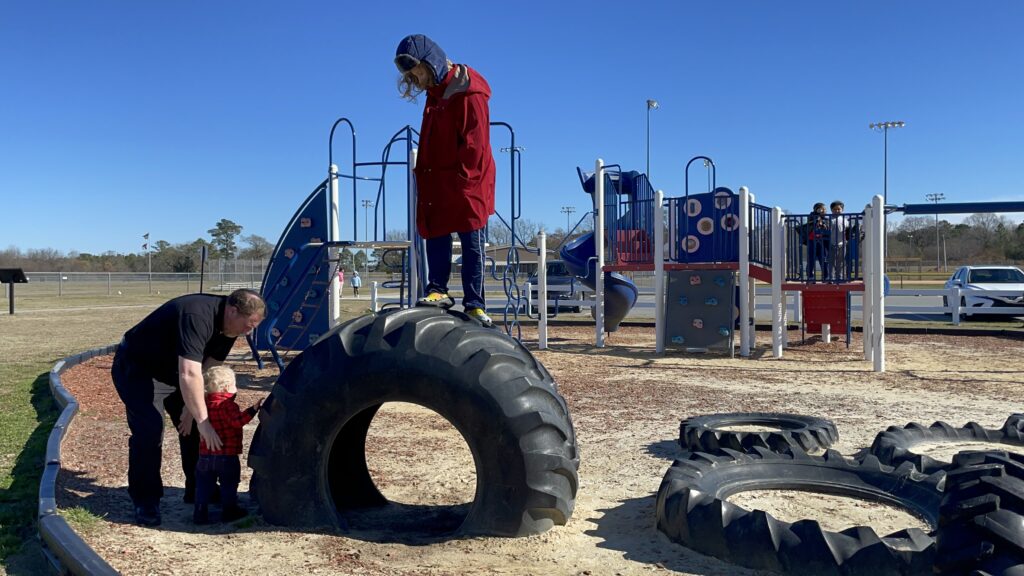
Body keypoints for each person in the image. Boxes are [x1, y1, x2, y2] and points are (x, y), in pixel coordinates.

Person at [111, 288, 265, 526]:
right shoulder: (196, 315)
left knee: (192, 426)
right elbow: (189, 372)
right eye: (249, 325)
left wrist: (192, 411)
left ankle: (198, 489)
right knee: (150, 431)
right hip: (138, 369)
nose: (249, 332)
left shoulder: (230, 326)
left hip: (175, 373)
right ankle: (146, 500)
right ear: (233, 311)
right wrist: (203, 422)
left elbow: (210, 366)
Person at [394, 34, 497, 328]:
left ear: (432, 62)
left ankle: (475, 304)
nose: (417, 82)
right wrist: (425, 174)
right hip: (437, 176)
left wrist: (465, 183)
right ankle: (437, 289)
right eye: (412, 77)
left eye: (418, 74)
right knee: (435, 229)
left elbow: (474, 145)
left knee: (470, 237)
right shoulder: (434, 94)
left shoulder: (469, 91)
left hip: (469, 177)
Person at [193, 365, 263, 524]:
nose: (236, 388)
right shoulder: (228, 406)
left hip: (205, 456)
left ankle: (200, 512)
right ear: (226, 387)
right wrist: (253, 410)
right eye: (234, 384)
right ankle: (229, 510)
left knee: (203, 485)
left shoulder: (203, 404)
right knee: (228, 484)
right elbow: (237, 422)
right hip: (227, 455)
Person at [806, 202, 830, 282]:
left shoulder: (826, 219)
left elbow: (828, 229)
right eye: (820, 209)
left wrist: (824, 225)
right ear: (816, 210)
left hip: (823, 241)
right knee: (811, 259)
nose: (823, 210)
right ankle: (810, 276)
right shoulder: (812, 216)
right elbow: (810, 223)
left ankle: (826, 276)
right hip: (812, 240)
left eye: (824, 209)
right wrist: (816, 217)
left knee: (824, 259)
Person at [829, 200, 847, 280]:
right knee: (831, 262)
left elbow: (847, 229)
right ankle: (831, 277)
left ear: (842, 210)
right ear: (831, 210)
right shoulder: (830, 219)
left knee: (841, 261)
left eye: (838, 209)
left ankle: (840, 276)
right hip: (831, 243)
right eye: (834, 209)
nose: (837, 211)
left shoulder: (844, 219)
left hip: (842, 243)